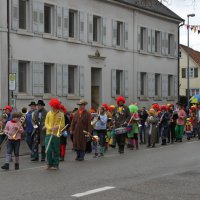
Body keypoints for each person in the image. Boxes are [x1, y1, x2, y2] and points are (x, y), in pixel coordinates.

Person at [45, 98, 65, 170]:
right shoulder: (48, 113)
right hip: (49, 134)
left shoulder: (61, 114)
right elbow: (46, 123)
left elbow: (63, 124)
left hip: (56, 135)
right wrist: (50, 128)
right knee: (48, 150)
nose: (52, 107)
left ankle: (56, 164)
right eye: (52, 106)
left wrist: (57, 127)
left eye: (54, 106)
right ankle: (49, 163)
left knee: (56, 150)